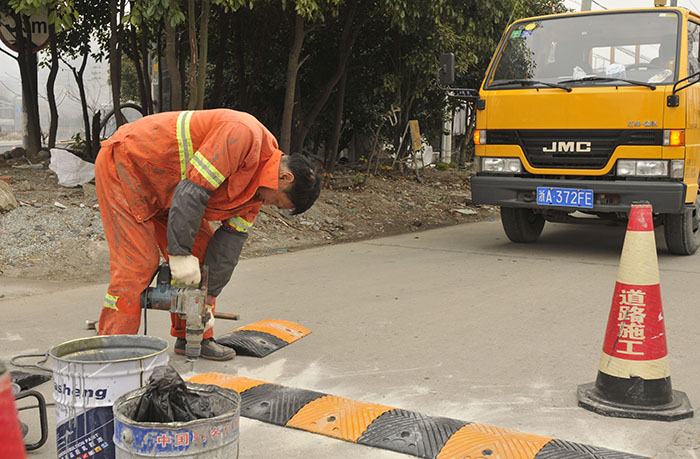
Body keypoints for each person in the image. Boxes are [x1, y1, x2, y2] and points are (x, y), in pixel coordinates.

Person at [94, 109, 321, 360]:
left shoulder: (257, 192)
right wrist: (179, 254)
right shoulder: (243, 135)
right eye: (277, 202)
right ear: (285, 178)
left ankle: (193, 336)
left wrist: (206, 298)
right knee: (138, 265)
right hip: (129, 166)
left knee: (202, 264)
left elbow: (229, 245)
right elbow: (193, 190)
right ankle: (114, 348)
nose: (270, 205)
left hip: (170, 194)